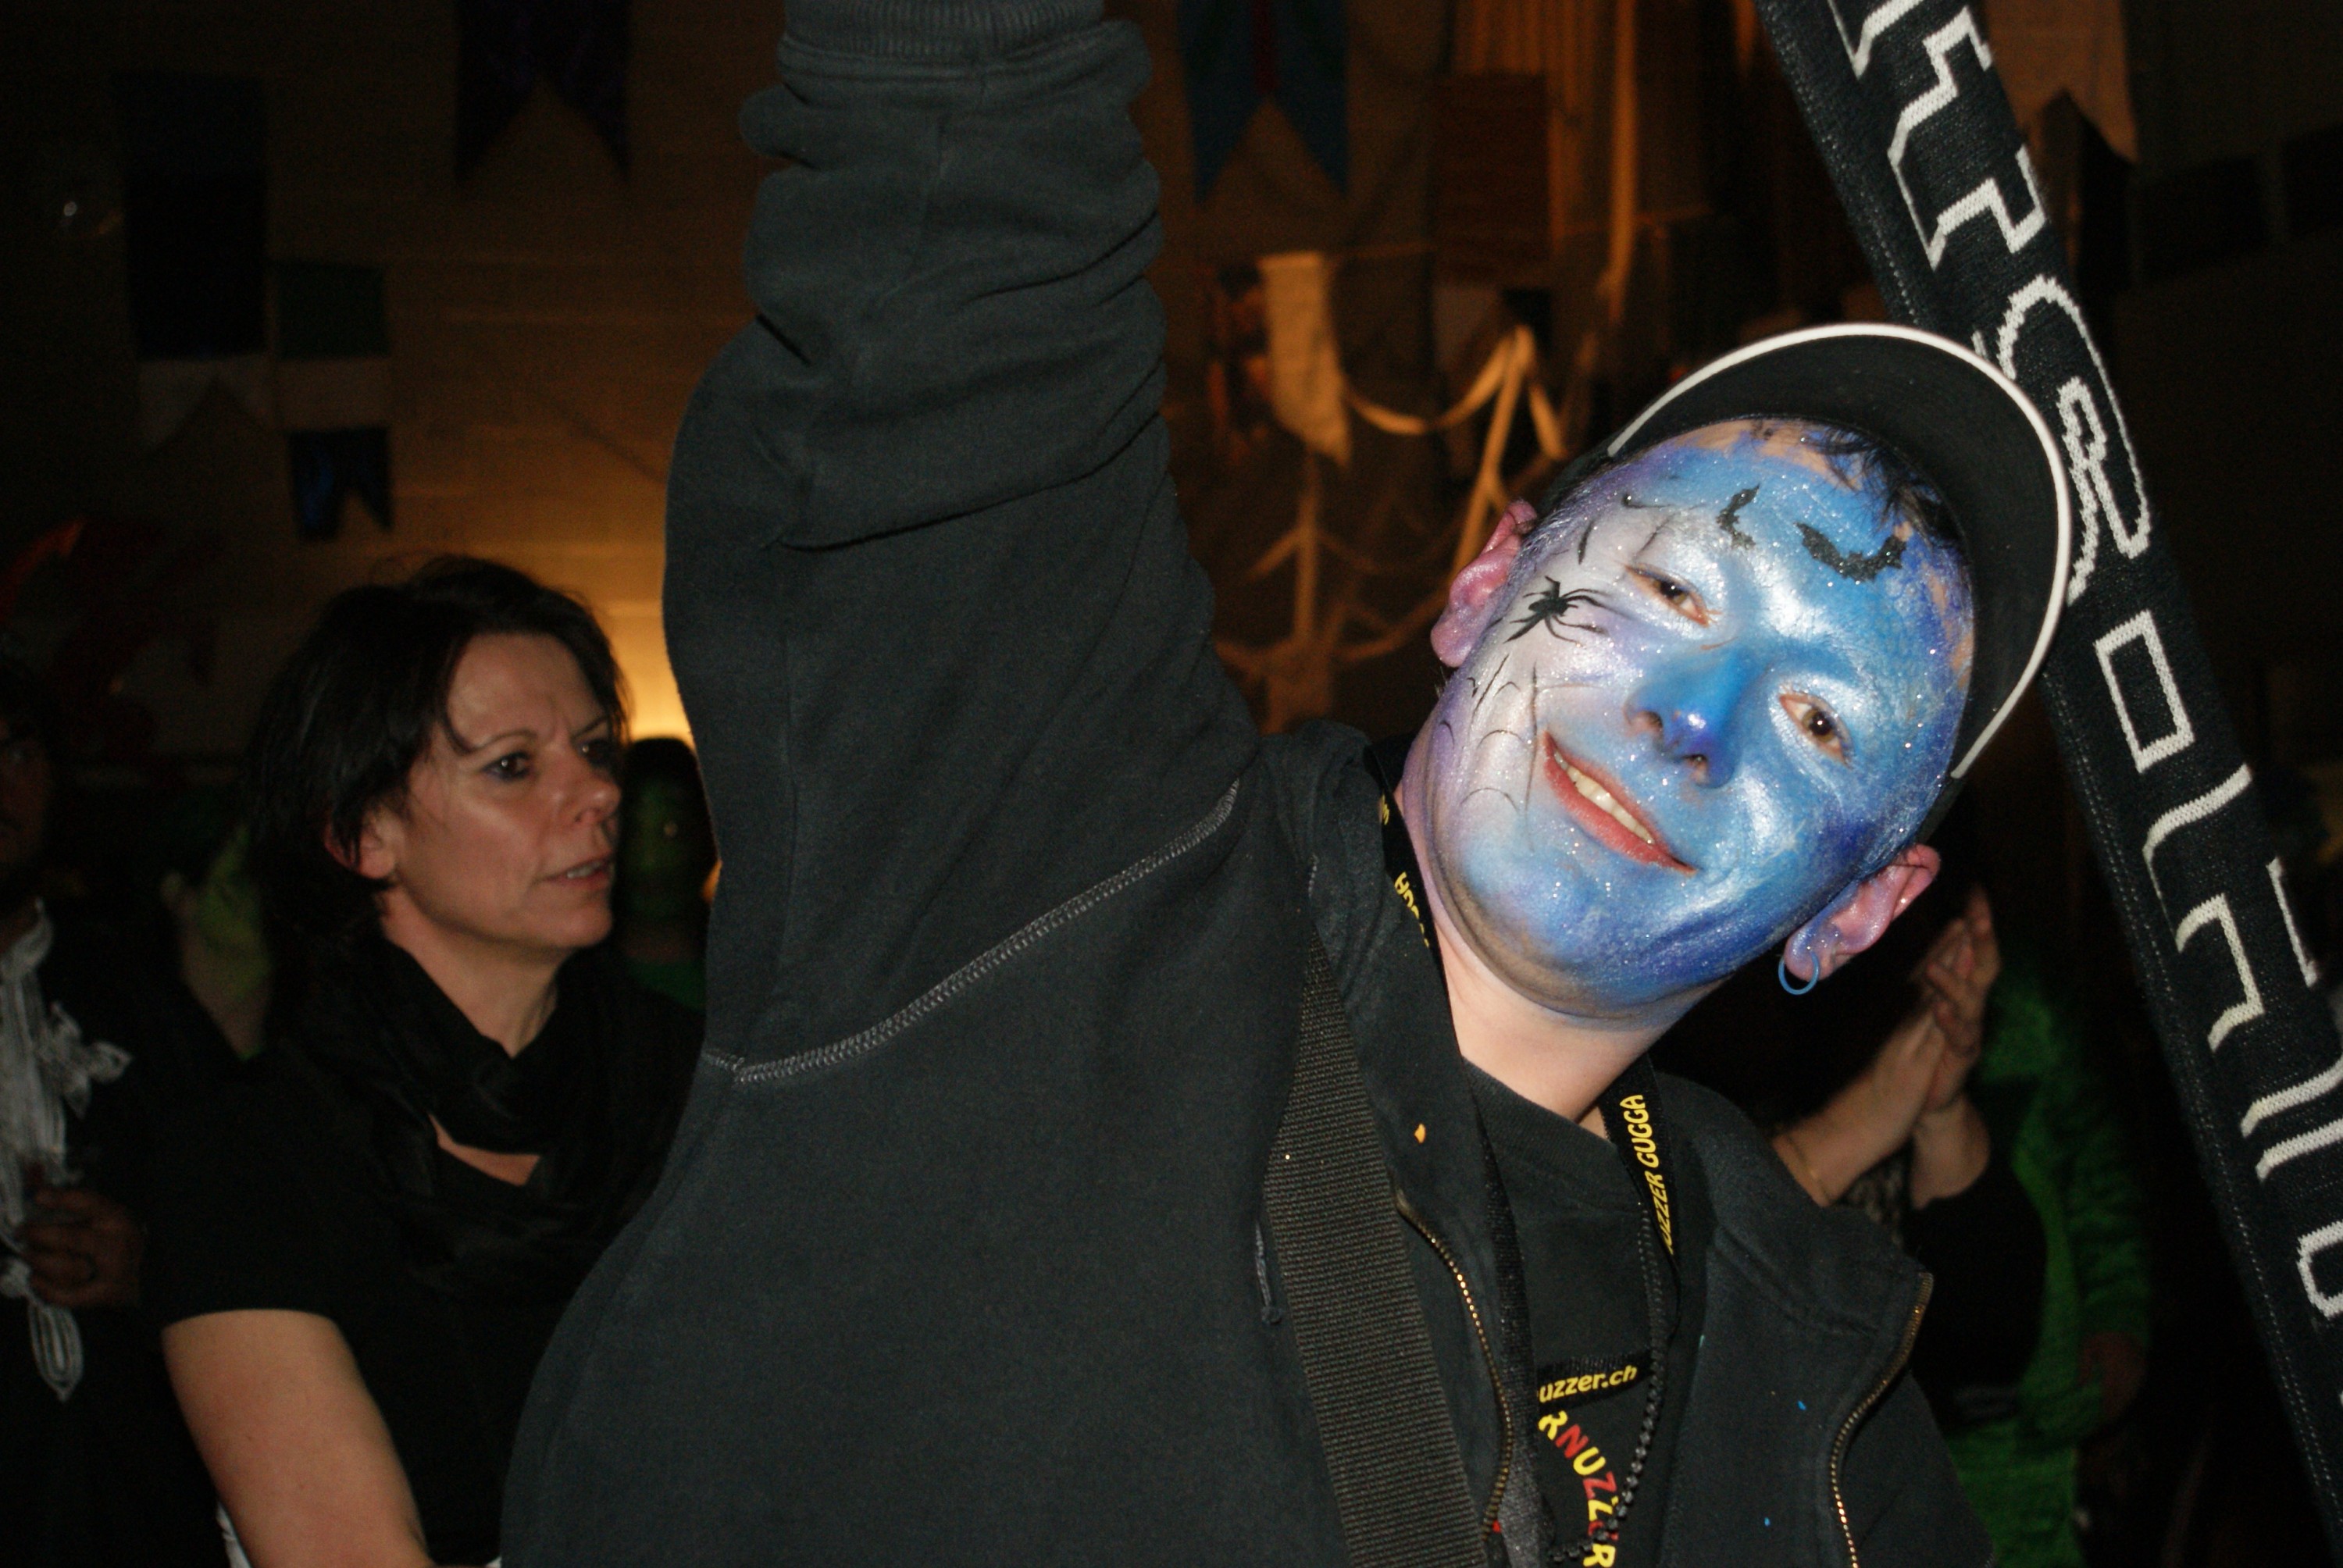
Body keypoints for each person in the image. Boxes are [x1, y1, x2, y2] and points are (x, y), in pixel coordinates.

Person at [501, 8, 2073, 1565]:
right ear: (1485, 585)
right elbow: (962, 211)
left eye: (1816, 722)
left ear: (1861, 909)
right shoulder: (1043, 883)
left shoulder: (1812, 1388)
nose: (1692, 723)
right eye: (1670, 589)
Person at [143, 558, 702, 1567]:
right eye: (513, 766)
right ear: (362, 834)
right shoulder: (249, 1156)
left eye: (593, 747)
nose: (597, 792)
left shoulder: (712, 1091)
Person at [1764, 866, 2150, 1568]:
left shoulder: (2017, 1000)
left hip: (2004, 1434)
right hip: (1805, 1461)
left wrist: (2116, 1314)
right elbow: (1693, 1246)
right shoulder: (1747, 996)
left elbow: (1998, 1308)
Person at [0, 661, 226, 1568]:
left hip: (133, 1506)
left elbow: (255, 1227)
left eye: (18, 753)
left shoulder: (142, 1007)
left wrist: (148, 1267)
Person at [610, 737, 715, 1010]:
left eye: (671, 832)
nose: (650, 861)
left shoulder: (759, 975)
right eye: (633, 832)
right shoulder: (566, 989)